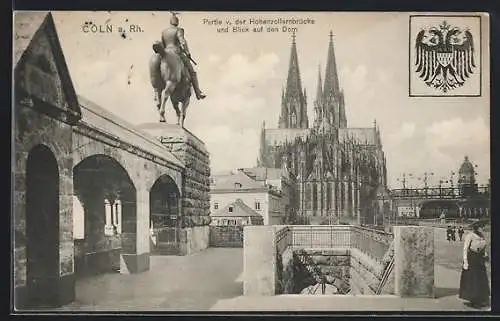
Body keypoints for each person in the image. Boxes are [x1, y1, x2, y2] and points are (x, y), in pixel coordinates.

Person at [161, 13, 206, 100]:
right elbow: (183, 42)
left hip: (165, 53)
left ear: (170, 22)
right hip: (176, 52)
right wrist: (187, 52)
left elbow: (163, 44)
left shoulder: (164, 32)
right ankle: (198, 93)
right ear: (177, 22)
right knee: (192, 72)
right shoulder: (179, 30)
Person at [459, 221, 490, 309]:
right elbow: (465, 248)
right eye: (480, 226)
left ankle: (481, 298)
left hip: (480, 259)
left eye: (482, 226)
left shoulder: (482, 236)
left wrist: (486, 255)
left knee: (481, 279)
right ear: (476, 227)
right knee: (473, 279)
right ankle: (474, 300)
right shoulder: (470, 235)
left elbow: (484, 247)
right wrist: (465, 261)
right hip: (472, 258)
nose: (482, 228)